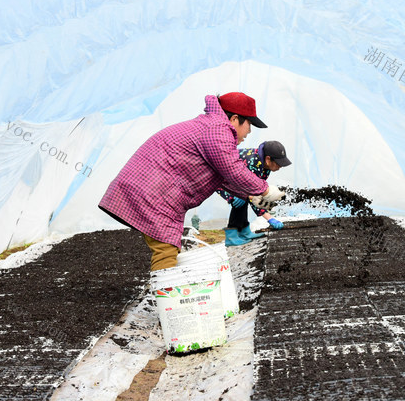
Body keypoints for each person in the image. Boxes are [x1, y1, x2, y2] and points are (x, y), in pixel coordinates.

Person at [99, 92, 285, 271]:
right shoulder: (218, 130)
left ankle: (169, 297)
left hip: (152, 191)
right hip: (153, 194)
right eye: (249, 125)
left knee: (167, 249)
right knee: (165, 251)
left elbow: (223, 177)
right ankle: (168, 300)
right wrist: (265, 189)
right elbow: (232, 169)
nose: (249, 132)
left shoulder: (211, 127)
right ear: (235, 119)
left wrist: (250, 195)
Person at [217, 141, 292, 246]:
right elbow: (253, 194)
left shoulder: (265, 167)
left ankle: (244, 231)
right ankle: (231, 236)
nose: (280, 167)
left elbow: (256, 191)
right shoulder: (253, 164)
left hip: (236, 183)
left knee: (245, 198)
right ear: (268, 159)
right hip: (221, 179)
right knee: (239, 200)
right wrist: (269, 218)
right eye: (279, 163)